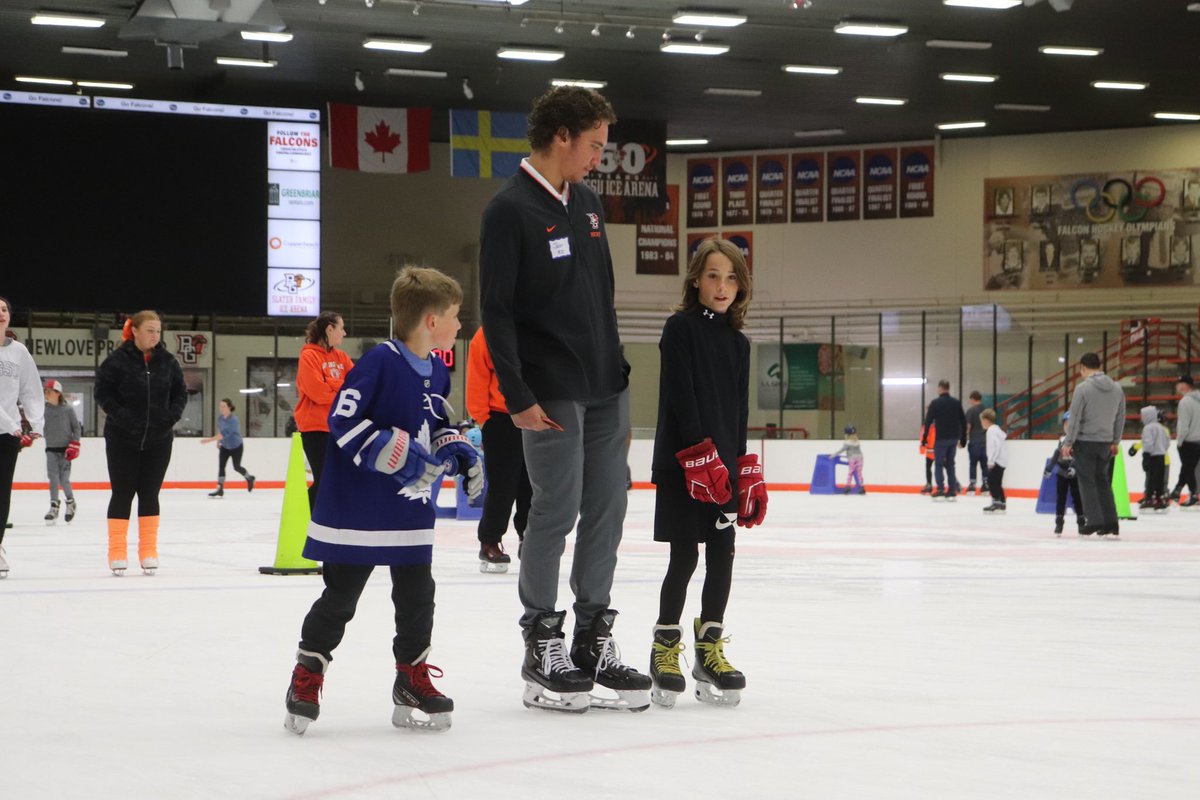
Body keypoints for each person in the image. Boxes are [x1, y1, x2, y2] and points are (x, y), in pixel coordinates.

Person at [479, 85, 651, 713]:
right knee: (554, 511)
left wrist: (618, 367)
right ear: (561, 137)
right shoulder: (509, 210)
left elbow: (602, 295)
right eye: (594, 145)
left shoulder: (588, 202)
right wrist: (516, 393)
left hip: (605, 385)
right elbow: (496, 311)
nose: (599, 158)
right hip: (549, 390)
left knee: (609, 507)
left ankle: (592, 637)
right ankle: (541, 639)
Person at [283, 267, 481, 735]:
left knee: (418, 596)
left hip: (408, 509)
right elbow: (342, 419)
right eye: (455, 315)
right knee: (341, 597)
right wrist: (393, 452)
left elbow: (434, 424)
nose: (460, 324)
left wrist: (458, 450)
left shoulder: (437, 369)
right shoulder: (379, 362)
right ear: (431, 320)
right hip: (359, 510)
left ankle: (411, 677)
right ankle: (307, 675)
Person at [648, 237, 763, 710]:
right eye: (713, 276)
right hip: (685, 465)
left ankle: (709, 650)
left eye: (731, 278)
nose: (722, 286)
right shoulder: (679, 328)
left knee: (723, 554)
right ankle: (664, 648)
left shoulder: (738, 343)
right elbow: (681, 395)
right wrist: (700, 456)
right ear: (696, 279)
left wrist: (741, 466)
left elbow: (738, 409)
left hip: (722, 470)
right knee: (684, 557)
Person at [95, 311, 187, 575]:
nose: (155, 335)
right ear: (134, 330)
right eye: (150, 330)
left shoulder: (168, 362)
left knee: (149, 494)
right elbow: (102, 392)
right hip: (121, 438)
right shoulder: (116, 361)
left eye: (158, 331)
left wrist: (169, 418)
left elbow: (180, 393)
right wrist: (122, 416)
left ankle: (148, 550)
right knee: (122, 493)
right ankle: (117, 551)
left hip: (159, 439)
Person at [465, 326, 532, 574]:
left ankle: (530, 538)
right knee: (503, 485)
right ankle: (490, 541)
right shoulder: (487, 333)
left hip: (536, 415)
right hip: (501, 417)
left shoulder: (541, 325)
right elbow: (477, 376)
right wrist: (483, 419)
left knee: (534, 484)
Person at [0, 298, 45, 577]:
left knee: (2, 491)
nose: (0, 314)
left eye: (4, 309)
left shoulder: (18, 352)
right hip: (9, 426)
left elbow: (31, 389)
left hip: (8, 436)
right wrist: (9, 421)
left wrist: (36, 421)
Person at [1061, 352, 1126, 536]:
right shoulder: (1117, 388)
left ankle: (1095, 520)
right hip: (1106, 442)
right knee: (1103, 481)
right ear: (1100, 366)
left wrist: (1068, 442)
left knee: (1087, 481)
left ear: (1083, 367)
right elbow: (1120, 417)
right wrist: (1115, 440)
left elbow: (1075, 418)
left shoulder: (1083, 389)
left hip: (1085, 441)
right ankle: (1111, 522)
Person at [294, 311, 353, 509]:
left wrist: (331, 383)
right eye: (341, 328)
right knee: (324, 479)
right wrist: (341, 386)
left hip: (339, 428)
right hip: (315, 429)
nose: (344, 333)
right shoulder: (308, 356)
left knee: (338, 479)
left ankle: (323, 518)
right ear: (329, 329)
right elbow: (318, 393)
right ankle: (308, 516)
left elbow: (356, 388)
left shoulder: (342, 357)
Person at [42, 379, 81, 524]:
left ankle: (71, 502)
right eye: (45, 392)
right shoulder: (44, 410)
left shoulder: (68, 409)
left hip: (66, 450)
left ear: (58, 393)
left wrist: (75, 444)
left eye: (49, 391)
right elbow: (38, 425)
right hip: (51, 449)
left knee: (64, 479)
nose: (46, 394)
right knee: (53, 478)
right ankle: (54, 506)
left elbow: (76, 428)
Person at [199, 398, 255, 498]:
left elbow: (223, 434)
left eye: (224, 406)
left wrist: (208, 440)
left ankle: (249, 478)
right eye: (220, 406)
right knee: (221, 466)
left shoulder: (233, 420)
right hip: (224, 446)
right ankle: (220, 488)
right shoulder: (220, 418)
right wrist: (218, 442)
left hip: (236, 446)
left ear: (229, 407)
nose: (221, 408)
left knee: (236, 467)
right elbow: (220, 430)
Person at [922, 380, 966, 500]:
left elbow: (928, 421)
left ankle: (940, 489)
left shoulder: (935, 403)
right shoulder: (956, 403)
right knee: (950, 464)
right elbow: (963, 420)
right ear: (948, 388)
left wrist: (925, 438)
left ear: (940, 388)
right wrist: (963, 438)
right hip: (953, 438)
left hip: (941, 439)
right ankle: (952, 490)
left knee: (939, 464)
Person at [1045, 412, 1085, 535]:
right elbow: (1057, 454)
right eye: (1066, 424)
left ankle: (1081, 522)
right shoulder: (1062, 440)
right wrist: (1049, 468)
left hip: (1075, 475)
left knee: (1077, 498)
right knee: (1060, 498)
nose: (1068, 427)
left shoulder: (1078, 440)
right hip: (1062, 473)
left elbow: (1078, 456)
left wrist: (1074, 468)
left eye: (1071, 425)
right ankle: (1059, 522)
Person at [1129, 405, 1169, 511]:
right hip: (1161, 456)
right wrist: (1162, 449)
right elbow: (1167, 441)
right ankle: (1160, 498)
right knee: (1159, 478)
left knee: (1151, 478)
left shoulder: (1148, 428)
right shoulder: (1161, 427)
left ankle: (1149, 499)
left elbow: (1147, 443)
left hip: (1152, 456)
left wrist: (1146, 456)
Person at [1174, 375, 1200, 507]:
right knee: (1191, 468)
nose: (1177, 386)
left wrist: (1179, 441)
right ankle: (1178, 491)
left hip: (1188, 441)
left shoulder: (1185, 402)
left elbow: (1183, 425)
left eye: (1179, 383)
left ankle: (1191, 494)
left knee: (1188, 469)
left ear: (1185, 385)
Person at [980, 409, 1008, 513]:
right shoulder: (997, 429)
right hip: (1002, 459)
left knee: (992, 481)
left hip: (996, 460)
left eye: (982, 421)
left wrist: (991, 461)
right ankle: (1002, 502)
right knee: (997, 482)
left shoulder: (991, 431)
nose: (981, 424)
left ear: (986, 420)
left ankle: (996, 502)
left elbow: (996, 446)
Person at [963, 390, 987, 495]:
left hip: (974, 442)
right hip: (986, 442)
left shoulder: (971, 411)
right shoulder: (987, 411)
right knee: (984, 464)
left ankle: (972, 485)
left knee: (973, 464)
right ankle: (986, 485)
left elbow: (968, 426)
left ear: (973, 399)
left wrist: (964, 437)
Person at [832, 425, 865, 494]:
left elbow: (842, 450)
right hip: (860, 457)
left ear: (846, 434)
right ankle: (861, 487)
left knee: (850, 472)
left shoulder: (847, 442)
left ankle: (847, 487)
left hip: (852, 458)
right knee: (859, 473)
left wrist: (834, 454)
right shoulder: (857, 441)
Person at [919, 420, 936, 494]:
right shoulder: (938, 424)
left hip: (931, 450)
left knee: (928, 468)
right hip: (938, 449)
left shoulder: (927, 426)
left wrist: (922, 447)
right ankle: (954, 483)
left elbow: (924, 437)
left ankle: (929, 485)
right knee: (946, 466)